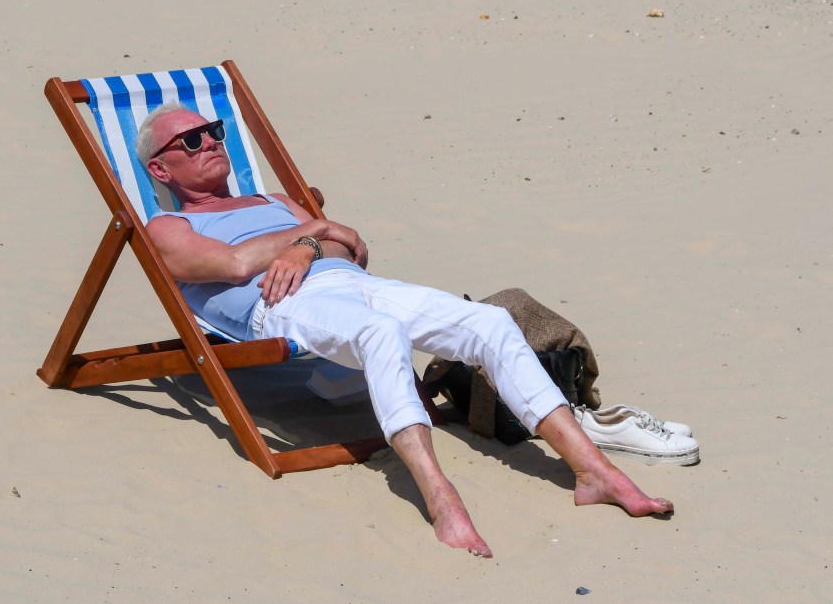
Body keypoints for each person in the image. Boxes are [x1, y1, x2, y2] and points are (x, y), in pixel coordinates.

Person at [137, 103, 673, 558]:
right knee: (379, 335)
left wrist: (309, 243)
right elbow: (232, 266)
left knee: (488, 320)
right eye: (189, 139)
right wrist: (315, 231)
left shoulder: (275, 203)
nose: (209, 140)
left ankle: (593, 471)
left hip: (354, 282)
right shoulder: (168, 227)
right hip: (283, 304)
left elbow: (351, 247)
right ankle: (441, 497)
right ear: (161, 171)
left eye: (214, 131)